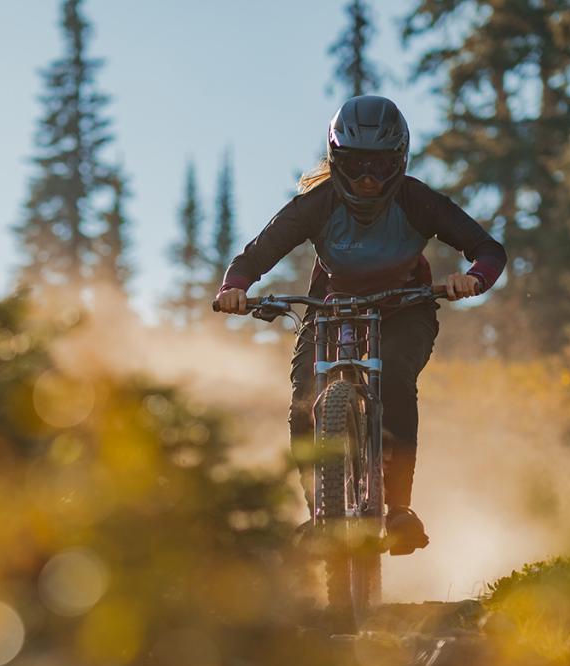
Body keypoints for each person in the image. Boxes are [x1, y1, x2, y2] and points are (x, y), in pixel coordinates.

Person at [215, 95, 506, 555]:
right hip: (331, 310)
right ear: (335, 160)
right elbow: (254, 256)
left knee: (392, 376)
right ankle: (319, 515)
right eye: (355, 165)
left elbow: (489, 250)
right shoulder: (317, 203)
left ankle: (399, 510)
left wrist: (472, 279)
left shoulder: (416, 200)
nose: (368, 179)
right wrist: (235, 287)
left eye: (381, 165)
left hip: (406, 308)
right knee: (304, 400)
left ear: (400, 161)